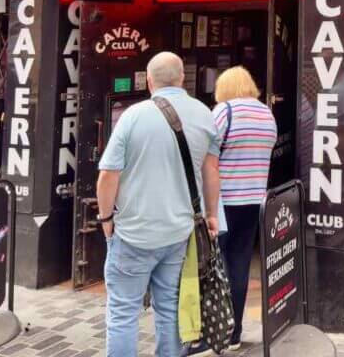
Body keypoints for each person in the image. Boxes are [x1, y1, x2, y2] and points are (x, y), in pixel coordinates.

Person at [97, 52, 221, 357]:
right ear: (182, 79)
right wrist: (211, 214)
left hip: (133, 233)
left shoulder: (133, 115)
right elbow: (211, 171)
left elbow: (108, 176)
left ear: (150, 81)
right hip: (177, 232)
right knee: (169, 307)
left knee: (124, 313)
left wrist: (106, 218)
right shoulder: (205, 114)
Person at [213, 66, 278, 352]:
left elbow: (207, 153)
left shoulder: (224, 111)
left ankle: (214, 328)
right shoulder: (266, 113)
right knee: (239, 264)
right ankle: (234, 332)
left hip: (223, 200)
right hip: (254, 201)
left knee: (214, 265)